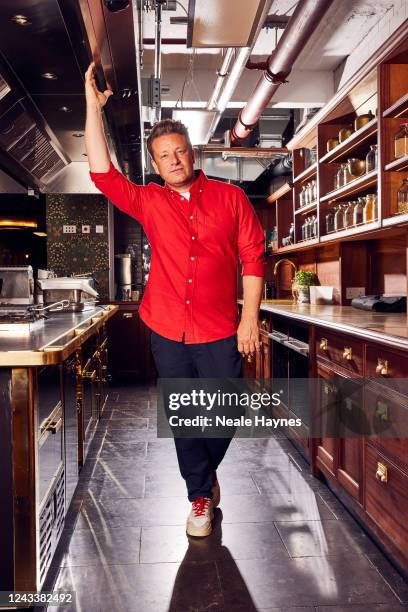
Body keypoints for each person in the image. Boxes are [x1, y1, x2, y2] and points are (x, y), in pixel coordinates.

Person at [84, 62, 265, 537]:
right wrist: (92, 106)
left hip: (223, 326)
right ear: (156, 163)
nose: (174, 160)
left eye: (180, 151)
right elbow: (101, 171)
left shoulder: (231, 199)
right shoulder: (148, 201)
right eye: (164, 155)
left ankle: (204, 473)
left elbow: (253, 257)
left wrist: (250, 319)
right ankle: (200, 496)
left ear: (191, 152)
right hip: (167, 325)